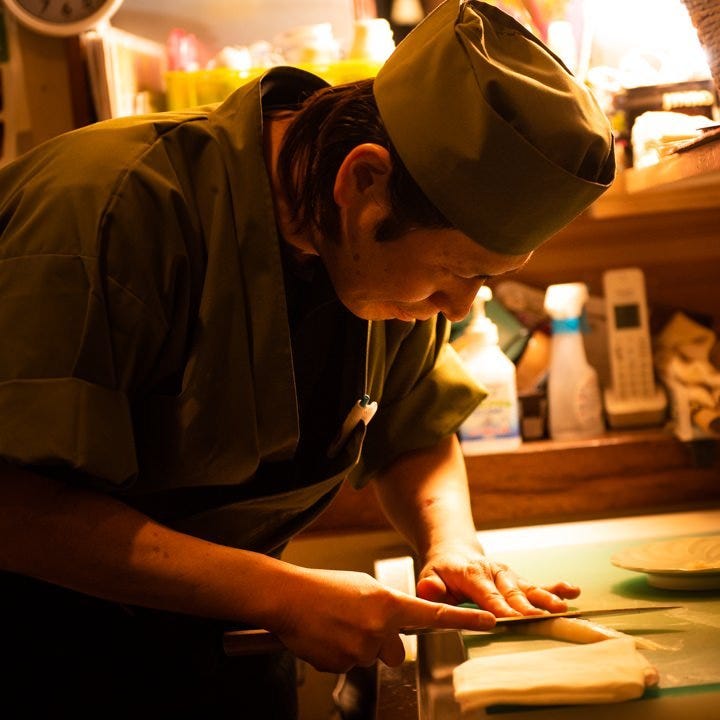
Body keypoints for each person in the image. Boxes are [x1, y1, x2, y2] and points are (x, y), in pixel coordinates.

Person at [0, 1, 614, 716]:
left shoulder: (380, 255)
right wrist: (280, 593)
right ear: (363, 180)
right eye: (457, 271)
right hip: (42, 658)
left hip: (228, 650)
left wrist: (452, 545)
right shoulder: (106, 206)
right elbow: (16, 505)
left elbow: (412, 424)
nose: (458, 308)